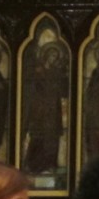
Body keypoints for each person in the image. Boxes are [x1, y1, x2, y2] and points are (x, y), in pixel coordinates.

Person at [21, 41, 69, 174]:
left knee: (52, 137)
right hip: (39, 109)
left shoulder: (57, 73)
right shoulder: (37, 71)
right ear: (45, 56)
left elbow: (64, 92)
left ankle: (50, 164)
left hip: (53, 110)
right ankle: (32, 165)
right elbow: (30, 90)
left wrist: (64, 76)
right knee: (38, 135)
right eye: (51, 55)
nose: (53, 59)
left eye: (55, 56)